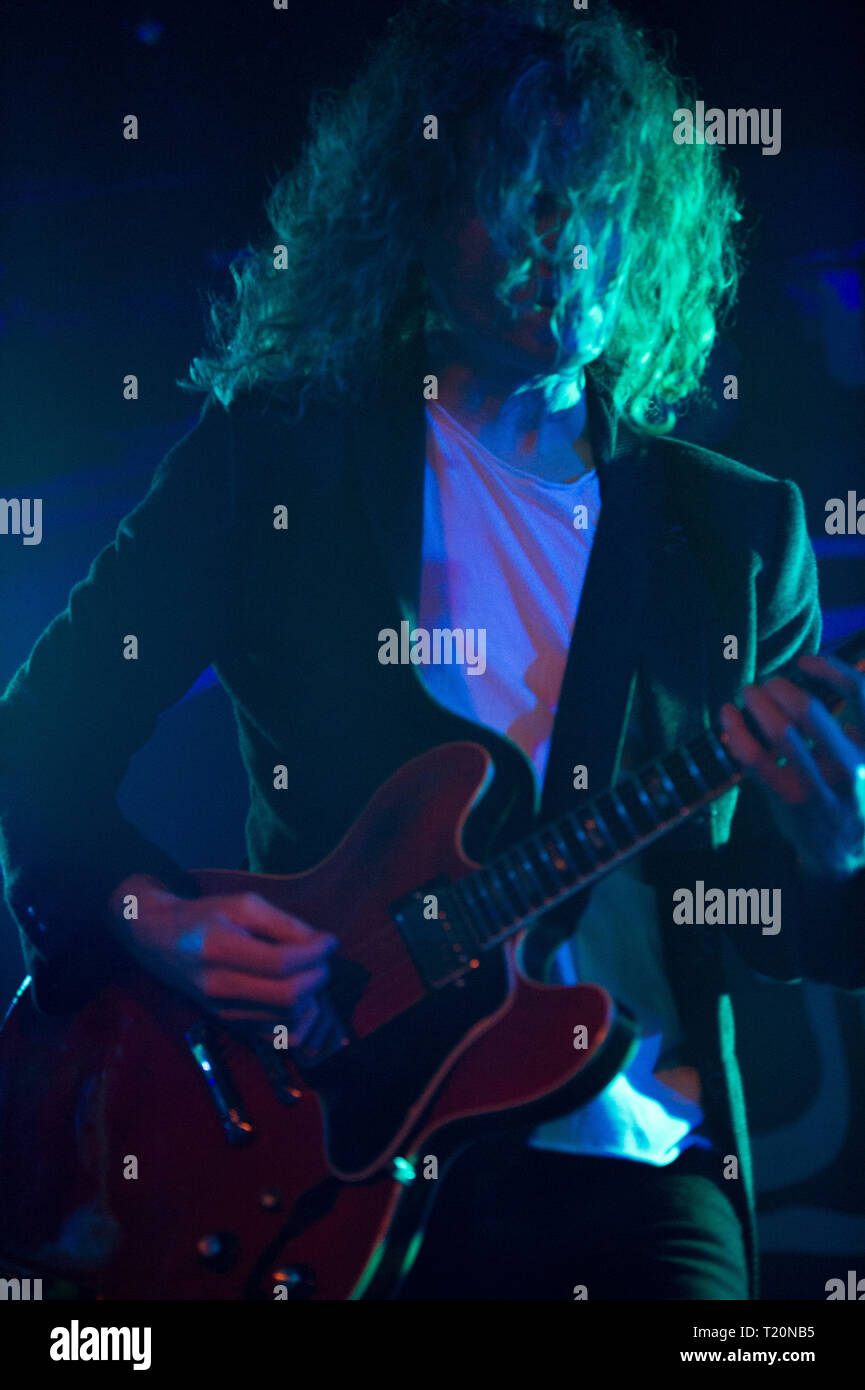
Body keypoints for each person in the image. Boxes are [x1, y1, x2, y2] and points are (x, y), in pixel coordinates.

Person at [1, 0, 863, 1300]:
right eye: (518, 201)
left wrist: (833, 845)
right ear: (412, 210)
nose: (561, 249)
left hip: (628, 1149)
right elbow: (40, 741)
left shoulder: (737, 529)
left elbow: (767, 920)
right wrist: (152, 917)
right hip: (320, 1137)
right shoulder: (275, 455)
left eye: (597, 206)